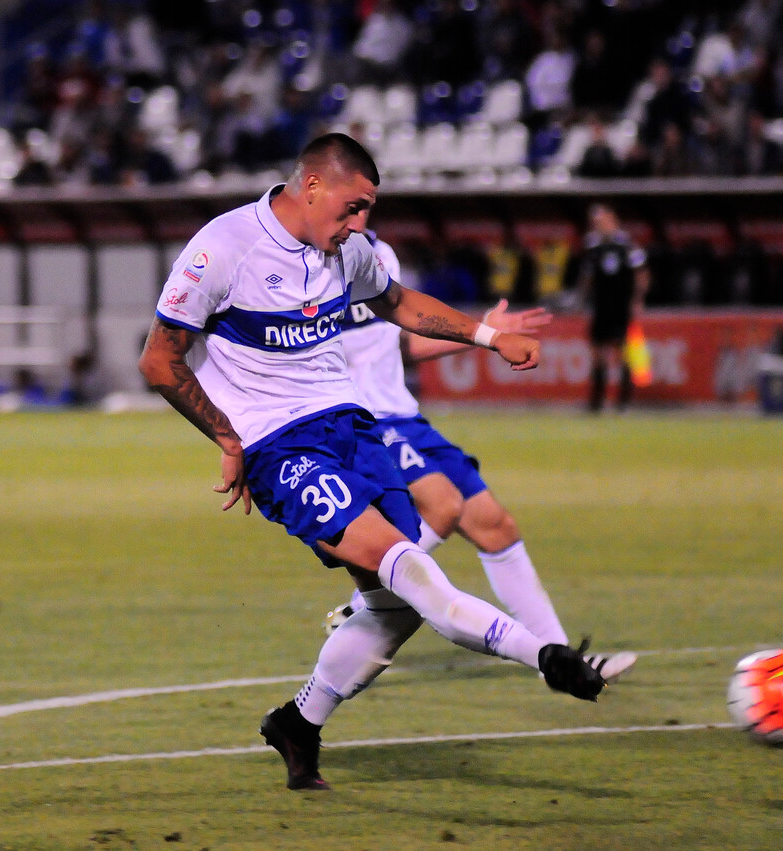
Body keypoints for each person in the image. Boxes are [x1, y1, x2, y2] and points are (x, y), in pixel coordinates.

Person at [138, 134, 631, 792]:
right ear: (311, 186)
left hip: (355, 431)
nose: (360, 224)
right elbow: (158, 359)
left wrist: (489, 336)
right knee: (416, 575)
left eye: (369, 209)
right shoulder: (224, 248)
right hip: (281, 448)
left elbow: (399, 304)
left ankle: (298, 721)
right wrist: (228, 439)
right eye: (352, 207)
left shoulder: (351, 252)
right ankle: (545, 655)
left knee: (393, 607)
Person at [325, 232, 632, 669]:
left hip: (405, 416)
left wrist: (485, 334)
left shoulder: (380, 255)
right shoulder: (311, 262)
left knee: (494, 524)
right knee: (442, 506)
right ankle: (362, 606)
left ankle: (561, 659)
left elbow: (403, 343)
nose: (359, 212)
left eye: (366, 203)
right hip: (362, 418)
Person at [576, 204, 649, 412]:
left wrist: (637, 300)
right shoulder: (592, 247)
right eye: (596, 223)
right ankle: (596, 403)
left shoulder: (627, 246)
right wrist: (581, 301)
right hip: (600, 307)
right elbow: (587, 277)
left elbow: (641, 275)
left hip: (621, 307)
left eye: (602, 221)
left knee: (622, 352)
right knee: (598, 353)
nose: (599, 226)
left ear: (613, 221)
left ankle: (623, 402)